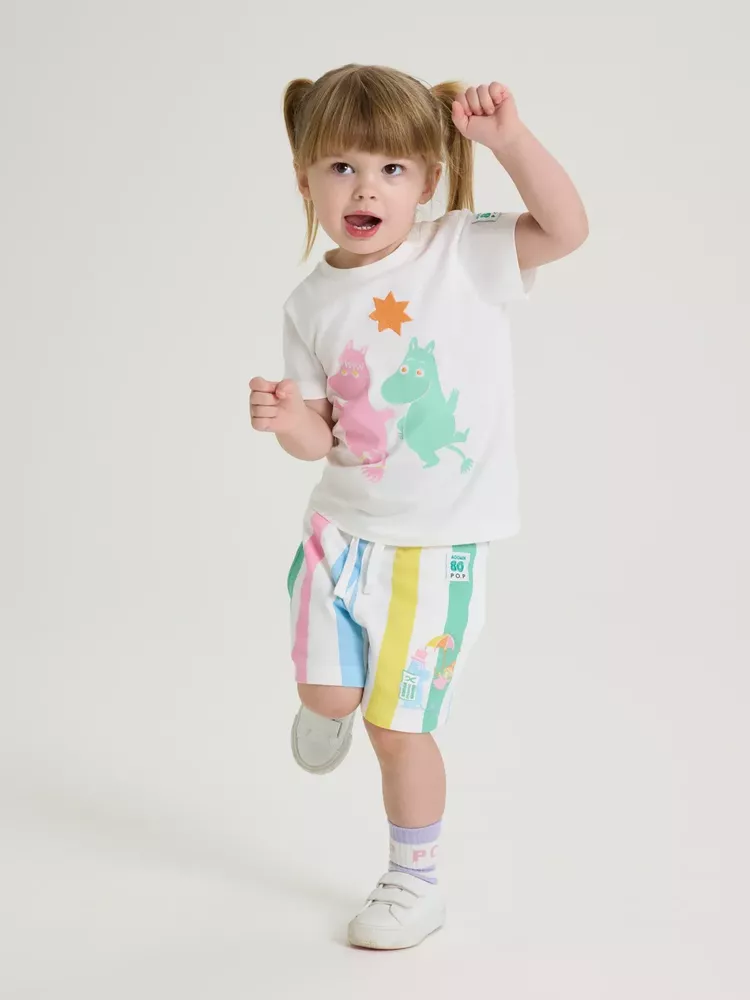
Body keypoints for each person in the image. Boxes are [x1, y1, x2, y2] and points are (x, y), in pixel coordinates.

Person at [249, 64, 587, 950]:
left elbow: (567, 229)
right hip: (337, 534)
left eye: (392, 169)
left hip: (436, 553)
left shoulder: (463, 251)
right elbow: (319, 437)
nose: (366, 188)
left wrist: (509, 141)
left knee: (395, 730)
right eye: (342, 167)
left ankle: (415, 881)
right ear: (306, 181)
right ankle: (326, 708)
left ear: (430, 179)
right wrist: (288, 419)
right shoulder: (309, 301)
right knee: (327, 696)